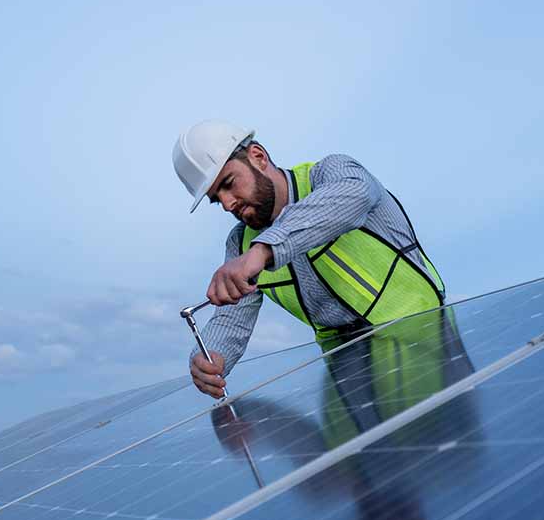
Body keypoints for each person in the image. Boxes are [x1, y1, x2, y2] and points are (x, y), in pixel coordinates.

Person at [172, 119, 449, 397]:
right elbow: (231, 319)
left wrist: (264, 250)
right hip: (346, 379)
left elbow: (353, 195)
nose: (228, 203)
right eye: (216, 199)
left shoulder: (332, 173)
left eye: (229, 184)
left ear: (258, 157)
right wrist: (208, 355)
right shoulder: (240, 243)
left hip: (428, 348)